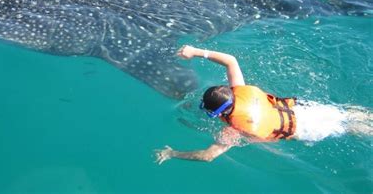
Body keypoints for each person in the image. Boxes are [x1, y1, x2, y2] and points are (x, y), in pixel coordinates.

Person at [155, 45, 372, 164]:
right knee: (347, 114)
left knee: (351, 128)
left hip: (308, 128)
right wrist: (195, 52)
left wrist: (173, 153)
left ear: (221, 114)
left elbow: (208, 155)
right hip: (305, 110)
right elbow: (230, 60)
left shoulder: (234, 129)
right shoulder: (241, 90)